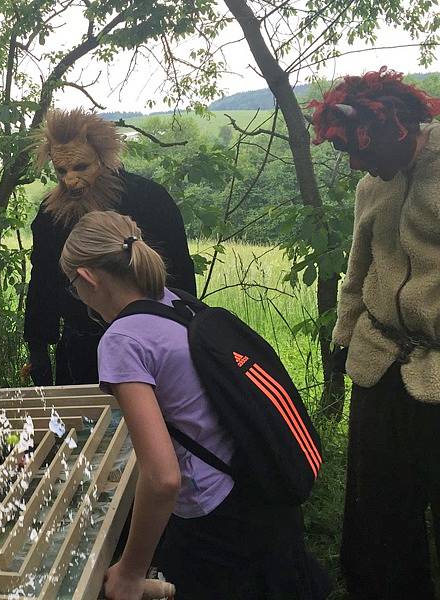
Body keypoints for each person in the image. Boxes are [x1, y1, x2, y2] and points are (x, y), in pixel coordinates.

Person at [60, 211, 327, 600]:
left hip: (216, 521)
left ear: (87, 278)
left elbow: (164, 478)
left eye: (72, 286)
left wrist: (131, 573)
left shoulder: (121, 341)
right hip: (259, 487)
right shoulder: (177, 302)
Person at [310, 67, 440, 600]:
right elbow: (358, 270)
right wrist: (343, 338)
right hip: (378, 357)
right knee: (381, 504)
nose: (357, 164)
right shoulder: (372, 188)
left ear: (399, 132)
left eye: (361, 150)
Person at [24, 108, 196, 386]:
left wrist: (183, 332)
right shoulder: (51, 215)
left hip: (150, 343)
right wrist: (38, 345)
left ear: (103, 159)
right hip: (80, 352)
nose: (70, 180)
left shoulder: (149, 200)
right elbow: (43, 280)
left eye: (81, 167)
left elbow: (180, 275)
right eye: (61, 170)